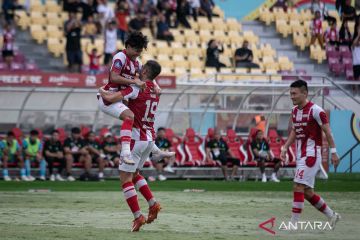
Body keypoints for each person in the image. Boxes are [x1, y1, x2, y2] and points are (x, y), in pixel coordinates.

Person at [99, 60, 164, 232]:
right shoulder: (156, 91)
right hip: (149, 139)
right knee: (135, 174)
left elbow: (111, 98)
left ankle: (138, 216)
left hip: (136, 138)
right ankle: (153, 204)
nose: (139, 70)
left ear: (146, 71)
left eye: (142, 69)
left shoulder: (136, 88)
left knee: (125, 179)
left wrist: (101, 92)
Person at [97, 31, 173, 166]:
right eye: (137, 50)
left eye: (140, 51)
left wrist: (156, 85)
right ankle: (126, 152)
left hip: (121, 96)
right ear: (129, 46)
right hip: (109, 96)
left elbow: (143, 76)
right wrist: (134, 81)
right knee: (130, 116)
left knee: (138, 120)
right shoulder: (120, 57)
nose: (138, 53)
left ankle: (154, 150)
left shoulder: (137, 62)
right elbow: (114, 77)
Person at [280, 80, 340, 229]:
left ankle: (293, 224)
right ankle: (332, 215)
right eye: (290, 93)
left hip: (311, 155)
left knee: (298, 186)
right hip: (301, 155)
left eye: (294, 93)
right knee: (307, 192)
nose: (291, 96)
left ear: (304, 93)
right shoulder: (294, 111)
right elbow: (295, 131)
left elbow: (328, 131)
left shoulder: (316, 110)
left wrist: (334, 152)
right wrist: (285, 147)